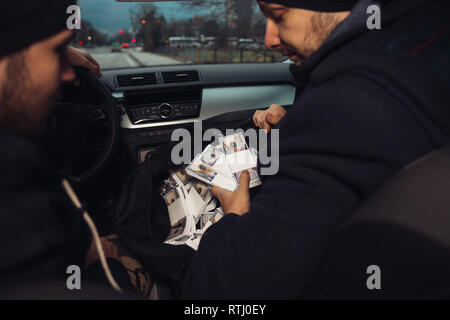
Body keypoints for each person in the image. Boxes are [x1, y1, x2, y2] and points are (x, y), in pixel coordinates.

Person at [182, 0, 450, 298]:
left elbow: (219, 295)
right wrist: (293, 118)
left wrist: (235, 213)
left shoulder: (341, 109)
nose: (269, 39)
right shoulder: (423, 46)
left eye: (279, 15)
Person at [0, 0, 144, 298]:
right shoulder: (23, 214)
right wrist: (102, 266)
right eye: (55, 51)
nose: (67, 75)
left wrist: (54, 49)